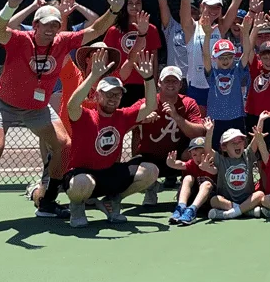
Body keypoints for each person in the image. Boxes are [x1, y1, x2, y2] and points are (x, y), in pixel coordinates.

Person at [0, 0, 127, 231]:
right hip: (2, 104)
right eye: (47, 25)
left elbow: (95, 30)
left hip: (36, 108)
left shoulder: (63, 41)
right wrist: (10, 6)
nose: (52, 29)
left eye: (56, 24)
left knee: (64, 144)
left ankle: (48, 202)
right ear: (36, 25)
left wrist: (114, 11)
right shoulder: (20, 39)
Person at [63, 49, 159, 228]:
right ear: (98, 95)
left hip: (110, 173)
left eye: (117, 94)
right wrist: (93, 76)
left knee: (151, 171)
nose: (113, 98)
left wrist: (148, 79)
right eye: (108, 94)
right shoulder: (85, 116)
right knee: (81, 183)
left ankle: (113, 201)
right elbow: (72, 104)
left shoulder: (123, 116)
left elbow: (151, 105)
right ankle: (77, 206)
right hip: (82, 174)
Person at [129, 65, 207, 205]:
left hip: (177, 157)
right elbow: (123, 122)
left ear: (180, 84)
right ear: (159, 83)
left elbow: (200, 132)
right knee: (132, 172)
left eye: (174, 81)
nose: (170, 84)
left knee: (199, 150)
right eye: (167, 81)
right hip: (149, 158)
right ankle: (150, 188)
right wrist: (142, 118)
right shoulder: (146, 103)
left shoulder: (188, 103)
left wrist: (177, 117)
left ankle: (188, 188)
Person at [104, 0, 161, 106]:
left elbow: (154, 59)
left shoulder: (151, 29)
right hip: (119, 84)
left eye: (138, 3)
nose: (134, 7)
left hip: (144, 82)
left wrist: (153, 84)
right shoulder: (114, 31)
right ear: (125, 5)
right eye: (130, 3)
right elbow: (107, 58)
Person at [206, 124, 266, 221]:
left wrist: (261, 119)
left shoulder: (247, 155)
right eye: (233, 143)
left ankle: (230, 214)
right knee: (214, 200)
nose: (238, 145)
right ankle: (246, 211)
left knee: (260, 194)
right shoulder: (221, 160)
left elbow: (256, 136)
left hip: (247, 199)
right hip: (228, 201)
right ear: (224, 147)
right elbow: (208, 151)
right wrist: (209, 132)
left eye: (240, 141)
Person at [200, 35, 248, 147]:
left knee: (238, 149)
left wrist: (245, 31)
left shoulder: (237, 70)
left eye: (229, 56)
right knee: (216, 152)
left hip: (236, 117)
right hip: (216, 119)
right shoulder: (212, 73)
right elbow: (205, 55)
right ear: (214, 58)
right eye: (221, 57)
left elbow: (247, 52)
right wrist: (207, 36)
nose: (225, 60)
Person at [165, 135, 216, 226]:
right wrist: (171, 163)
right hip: (193, 196)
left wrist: (206, 168)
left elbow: (215, 171)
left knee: (206, 184)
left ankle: (192, 210)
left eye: (202, 154)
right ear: (191, 155)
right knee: (188, 177)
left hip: (209, 199)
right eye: (195, 155)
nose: (198, 157)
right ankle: (181, 207)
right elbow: (180, 164)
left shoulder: (212, 163)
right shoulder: (192, 163)